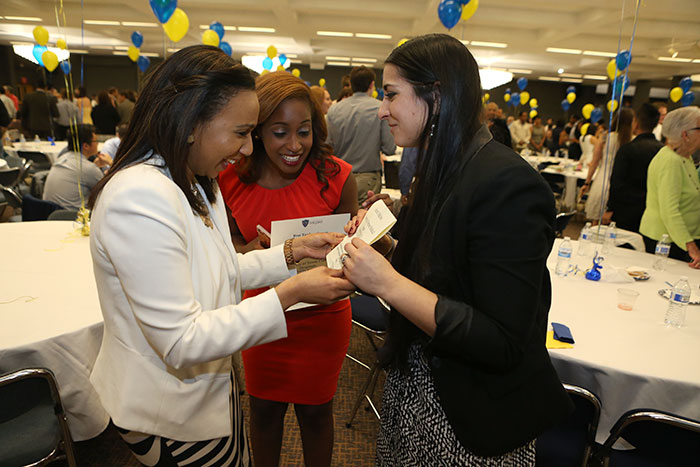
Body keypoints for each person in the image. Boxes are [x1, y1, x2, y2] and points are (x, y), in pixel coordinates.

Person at [86, 45, 355, 466]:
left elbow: (217, 270)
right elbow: (181, 340)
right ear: (192, 123)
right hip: (169, 411)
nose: (249, 148)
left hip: (209, 391)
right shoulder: (139, 196)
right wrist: (289, 293)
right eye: (242, 132)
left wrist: (291, 251)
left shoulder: (191, 177)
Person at [341, 34, 572, 465]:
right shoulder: (443, 166)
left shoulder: (507, 183)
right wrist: (388, 248)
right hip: (420, 388)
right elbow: (446, 274)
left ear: (438, 95)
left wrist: (387, 283)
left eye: (391, 95)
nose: (382, 109)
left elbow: (501, 339)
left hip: (468, 415)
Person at [218, 71, 363, 467]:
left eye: (304, 131)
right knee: (264, 412)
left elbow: (347, 248)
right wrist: (250, 249)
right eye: (280, 132)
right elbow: (224, 246)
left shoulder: (336, 176)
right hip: (262, 313)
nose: (295, 145)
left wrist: (361, 237)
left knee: (316, 413)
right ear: (258, 131)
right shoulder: (229, 179)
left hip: (323, 318)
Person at [639, 106, 700, 268]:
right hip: (666, 240)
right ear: (685, 134)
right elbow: (669, 209)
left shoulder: (684, 158)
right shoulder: (671, 161)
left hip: (678, 238)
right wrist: (690, 246)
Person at [326, 65, 396, 205]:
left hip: (339, 177)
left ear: (351, 84)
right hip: (368, 179)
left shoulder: (334, 110)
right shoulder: (380, 109)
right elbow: (389, 148)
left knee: (341, 222)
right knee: (364, 222)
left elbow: (327, 146)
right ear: (372, 84)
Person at [606, 103, 663, 232]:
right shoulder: (662, 150)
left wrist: (610, 208)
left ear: (635, 123)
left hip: (625, 210)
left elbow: (616, 182)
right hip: (652, 210)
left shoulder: (627, 149)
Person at [581, 108, 634, 221]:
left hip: (602, 181)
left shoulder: (606, 136)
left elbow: (595, 161)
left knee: (596, 221)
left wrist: (587, 182)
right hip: (623, 185)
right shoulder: (632, 140)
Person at [43, 124, 105, 210]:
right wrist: (111, 164)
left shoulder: (61, 158)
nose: (98, 143)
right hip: (73, 216)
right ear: (86, 146)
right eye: (96, 141)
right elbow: (107, 192)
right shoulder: (88, 168)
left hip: (49, 213)